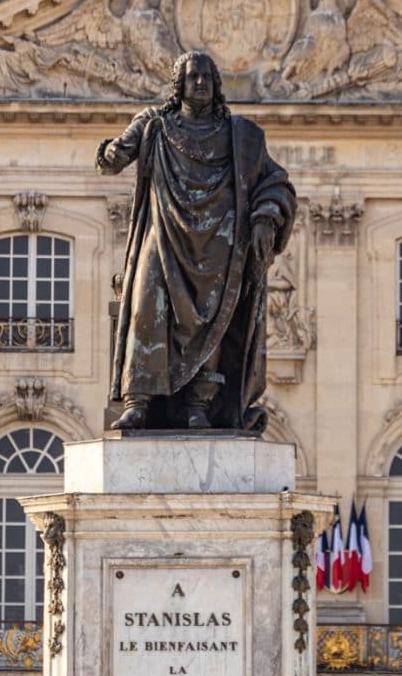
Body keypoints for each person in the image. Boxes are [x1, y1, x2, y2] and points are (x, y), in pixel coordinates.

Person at [96, 51, 296, 431]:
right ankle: (137, 400)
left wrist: (266, 218)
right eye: (192, 77)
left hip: (217, 244)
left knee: (212, 321)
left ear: (216, 85)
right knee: (145, 305)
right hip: (164, 231)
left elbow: (274, 182)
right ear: (179, 85)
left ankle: (197, 405)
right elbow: (117, 156)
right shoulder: (154, 125)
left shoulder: (241, 136)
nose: (200, 83)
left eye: (206, 77)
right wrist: (112, 152)